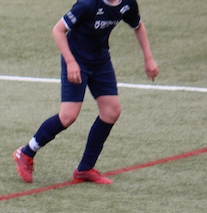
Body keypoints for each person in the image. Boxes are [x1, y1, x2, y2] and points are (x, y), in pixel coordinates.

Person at [13, 0, 158, 184]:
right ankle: (26, 152)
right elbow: (58, 30)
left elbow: (138, 25)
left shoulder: (128, 3)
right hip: (76, 60)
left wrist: (148, 58)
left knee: (111, 112)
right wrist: (70, 62)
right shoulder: (88, 4)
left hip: (101, 61)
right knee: (68, 116)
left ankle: (84, 169)